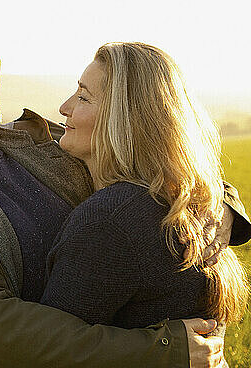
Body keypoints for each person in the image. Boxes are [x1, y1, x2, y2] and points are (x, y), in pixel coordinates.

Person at [0, 12, 251, 368]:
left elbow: (156, 157)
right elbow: (0, 330)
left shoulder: (47, 140)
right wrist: (160, 350)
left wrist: (223, 206)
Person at [40, 43, 248, 357]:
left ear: (120, 120)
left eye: (83, 96)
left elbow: (50, 353)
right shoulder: (186, 198)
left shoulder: (109, 220)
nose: (64, 107)